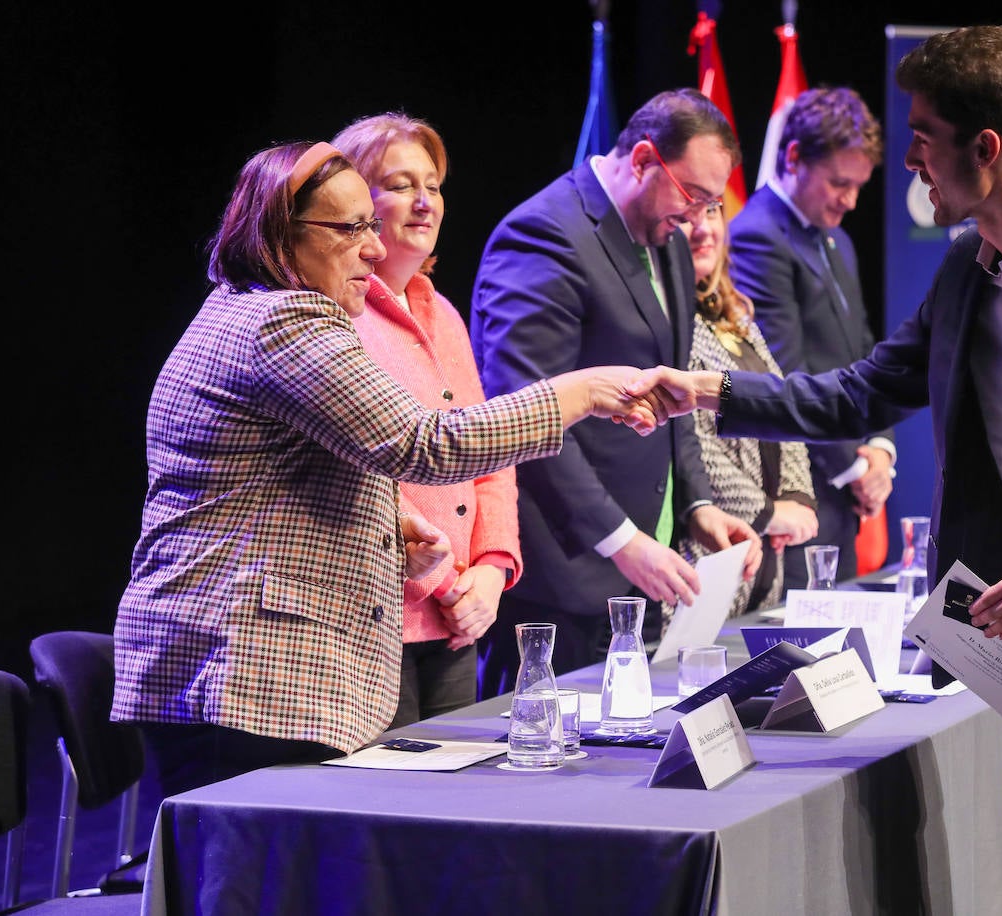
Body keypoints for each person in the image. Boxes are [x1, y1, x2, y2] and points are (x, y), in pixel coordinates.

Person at [632, 25, 1002, 914]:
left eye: (922, 135)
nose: (910, 159)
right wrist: (705, 390)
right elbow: (859, 394)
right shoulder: (967, 264)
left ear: (985, 148)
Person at [111, 139, 665, 797]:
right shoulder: (285, 320)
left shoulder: (243, 308)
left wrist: (393, 521)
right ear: (279, 233)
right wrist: (582, 391)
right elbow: (427, 446)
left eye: (371, 227)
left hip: (233, 668)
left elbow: (272, 477)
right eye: (350, 229)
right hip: (242, 673)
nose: (373, 250)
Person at [470, 88, 762, 695]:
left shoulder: (670, 238)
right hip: (561, 576)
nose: (697, 220)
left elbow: (673, 386)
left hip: (639, 580)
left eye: (712, 205)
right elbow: (524, 418)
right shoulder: (543, 236)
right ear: (644, 159)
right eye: (693, 197)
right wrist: (623, 541)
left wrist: (698, 508)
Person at [332, 112, 517, 724]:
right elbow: (360, 473)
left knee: (457, 800)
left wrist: (490, 575)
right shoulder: (338, 315)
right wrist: (446, 584)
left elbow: (489, 457)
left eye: (433, 186)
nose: (423, 201)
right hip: (378, 617)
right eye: (401, 183)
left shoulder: (444, 315)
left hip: (457, 617)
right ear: (355, 202)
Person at [728, 86, 896, 589]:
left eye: (859, 186)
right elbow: (787, 373)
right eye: (839, 183)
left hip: (845, 489)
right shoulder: (756, 235)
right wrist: (854, 469)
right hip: (801, 492)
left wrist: (882, 449)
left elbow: (866, 352)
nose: (850, 200)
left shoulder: (837, 239)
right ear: (795, 157)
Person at [672, 199, 817, 626]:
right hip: (706, 555)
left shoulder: (738, 318)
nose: (703, 229)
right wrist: (767, 515)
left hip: (762, 565)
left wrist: (797, 500)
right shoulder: (668, 326)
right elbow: (689, 439)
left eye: (713, 211)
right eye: (686, 217)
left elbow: (780, 404)